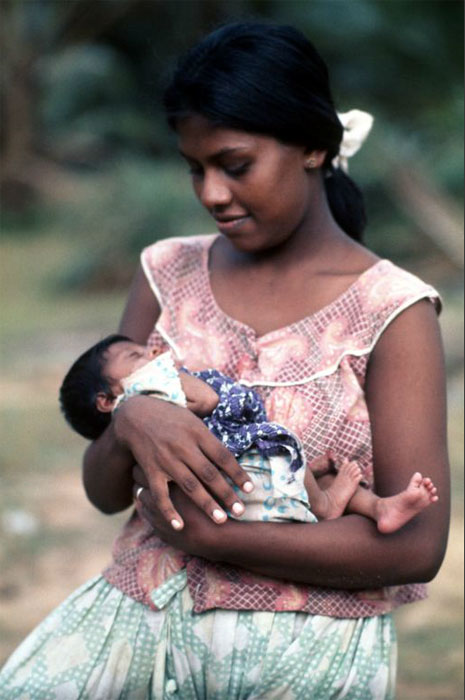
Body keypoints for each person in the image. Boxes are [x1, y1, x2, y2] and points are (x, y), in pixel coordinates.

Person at [0, 21, 450, 699]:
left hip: (305, 662)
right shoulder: (167, 273)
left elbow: (416, 548)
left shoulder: (391, 312)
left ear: (312, 147)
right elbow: (104, 491)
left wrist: (217, 541)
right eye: (194, 167)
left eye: (233, 165)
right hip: (140, 631)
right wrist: (129, 421)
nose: (210, 192)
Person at [59, 333, 439, 532]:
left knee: (304, 464)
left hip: (240, 477)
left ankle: (378, 507)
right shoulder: (153, 392)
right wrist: (171, 386)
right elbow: (207, 399)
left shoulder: (141, 422)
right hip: (242, 466)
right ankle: (329, 506)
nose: (153, 354)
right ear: (107, 401)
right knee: (281, 445)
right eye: (136, 357)